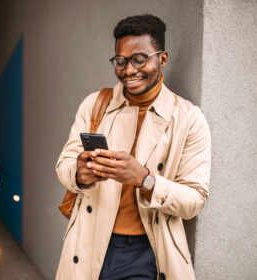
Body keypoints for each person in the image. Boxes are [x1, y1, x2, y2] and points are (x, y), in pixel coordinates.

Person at [55, 14, 211, 280]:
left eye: (139, 59)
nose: (128, 70)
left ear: (162, 59)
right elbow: (65, 164)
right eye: (120, 61)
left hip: (147, 252)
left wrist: (145, 180)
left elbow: (194, 201)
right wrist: (79, 173)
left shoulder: (188, 118)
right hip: (90, 243)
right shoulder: (94, 104)